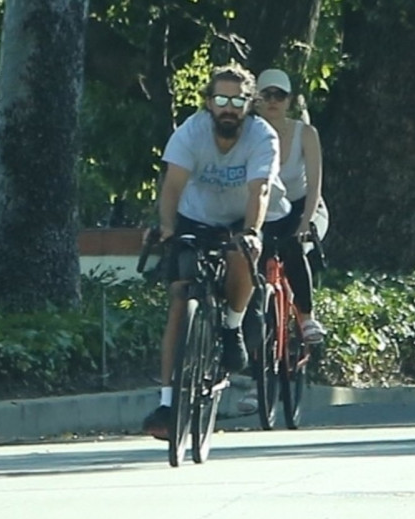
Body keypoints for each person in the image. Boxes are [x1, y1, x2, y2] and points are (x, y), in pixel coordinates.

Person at [141, 63, 292, 439]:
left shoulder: (263, 137)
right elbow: (172, 185)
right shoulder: (190, 132)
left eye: (237, 101)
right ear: (209, 102)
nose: (229, 108)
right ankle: (166, 401)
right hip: (195, 218)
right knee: (180, 296)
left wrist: (252, 232)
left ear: (249, 104)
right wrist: (168, 227)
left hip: (241, 218)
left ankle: (231, 327)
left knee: (240, 254)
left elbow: (259, 189)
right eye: (221, 99)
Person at [254, 68, 327, 343]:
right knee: (248, 253)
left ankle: (306, 318)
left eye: (280, 95)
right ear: (256, 99)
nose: (273, 100)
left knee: (293, 246)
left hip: (302, 205)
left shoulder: (305, 134)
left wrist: (306, 222)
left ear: (289, 100)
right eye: (266, 94)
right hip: (263, 207)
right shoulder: (248, 132)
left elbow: (315, 186)